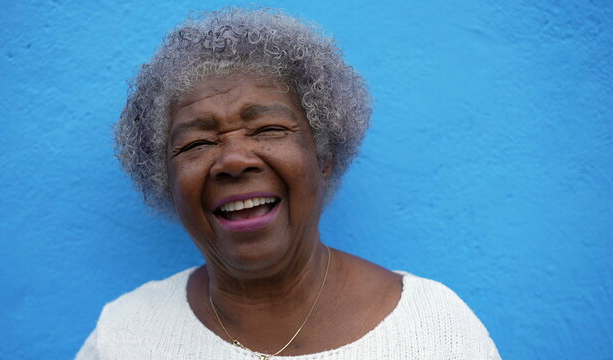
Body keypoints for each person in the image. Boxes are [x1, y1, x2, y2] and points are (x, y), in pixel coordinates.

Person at [76, 7, 500, 359]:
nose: (234, 160)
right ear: (167, 183)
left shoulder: (437, 332)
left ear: (325, 158)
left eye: (267, 129)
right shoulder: (123, 338)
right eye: (197, 142)